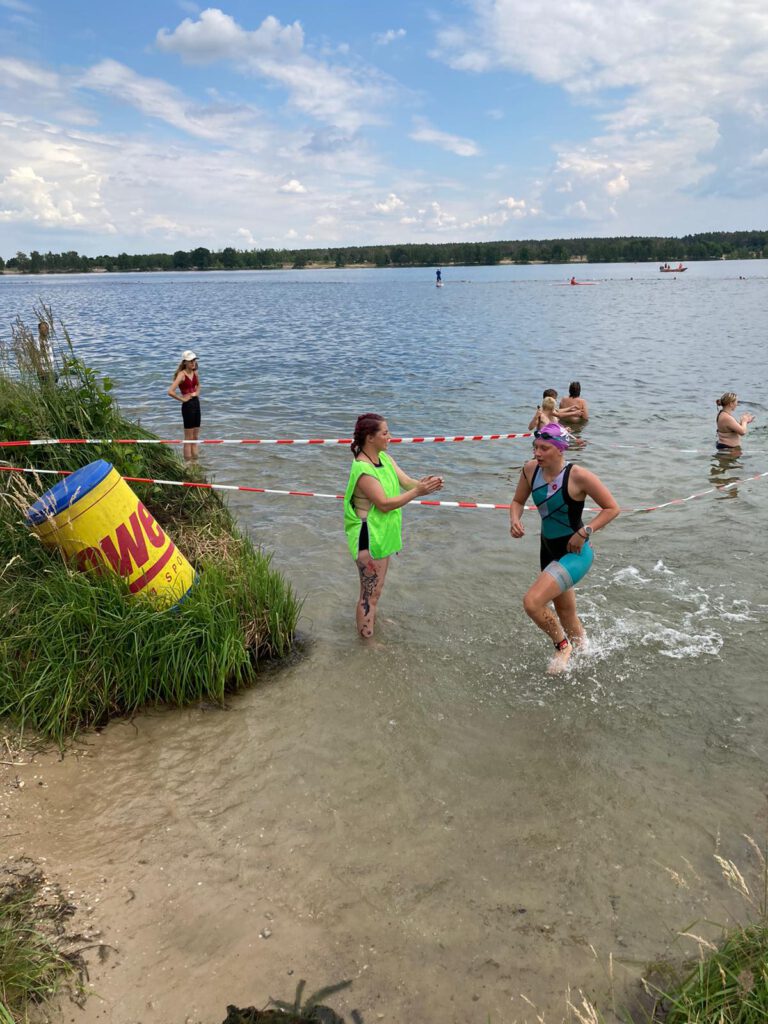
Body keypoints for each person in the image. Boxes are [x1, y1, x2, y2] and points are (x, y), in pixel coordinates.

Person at [509, 423, 619, 674]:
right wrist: (515, 519)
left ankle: (562, 647)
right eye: (535, 447)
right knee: (566, 612)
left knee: (533, 603)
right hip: (548, 549)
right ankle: (586, 655)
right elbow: (517, 501)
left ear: (560, 450)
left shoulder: (578, 476)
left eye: (544, 448)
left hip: (575, 552)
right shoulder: (530, 470)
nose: (537, 453)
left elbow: (612, 508)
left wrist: (586, 531)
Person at [344, 414, 444, 639]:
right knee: (368, 595)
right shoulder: (363, 469)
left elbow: (407, 483)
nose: (390, 437)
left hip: (383, 535)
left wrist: (426, 484)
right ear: (370, 438)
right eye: (385, 433)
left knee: (375, 592)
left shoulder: (385, 459)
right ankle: (366, 642)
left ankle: (371, 622)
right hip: (368, 538)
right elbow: (384, 504)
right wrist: (418, 492)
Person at [167, 350, 201, 461]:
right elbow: (170, 391)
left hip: (196, 404)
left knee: (195, 437)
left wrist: (196, 393)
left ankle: (195, 461)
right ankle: (188, 464)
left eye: (194, 360)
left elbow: (199, 385)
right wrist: (182, 399)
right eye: (190, 361)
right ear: (185, 362)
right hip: (188, 406)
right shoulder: (181, 375)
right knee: (188, 438)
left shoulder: (195, 373)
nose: (193, 363)